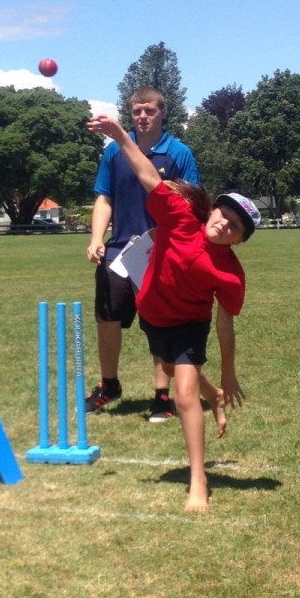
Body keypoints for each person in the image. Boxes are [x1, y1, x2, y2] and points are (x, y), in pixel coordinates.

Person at [87, 114, 260, 512]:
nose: (222, 225)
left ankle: (198, 479)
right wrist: (118, 135)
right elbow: (149, 176)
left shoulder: (231, 273)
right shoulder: (181, 218)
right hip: (153, 314)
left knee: (182, 392)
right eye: (222, 215)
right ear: (211, 209)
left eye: (233, 227)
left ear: (240, 239)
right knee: (172, 365)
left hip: (190, 324)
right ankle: (212, 395)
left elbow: (224, 323)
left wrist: (231, 370)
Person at [85, 86, 201, 422]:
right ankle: (109, 385)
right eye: (137, 111)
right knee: (107, 318)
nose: (143, 116)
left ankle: (162, 396)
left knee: (158, 324)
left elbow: (192, 203)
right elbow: (104, 198)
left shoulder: (178, 153)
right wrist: (96, 238)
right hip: (119, 250)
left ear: (163, 112)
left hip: (160, 252)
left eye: (149, 110)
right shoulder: (114, 152)